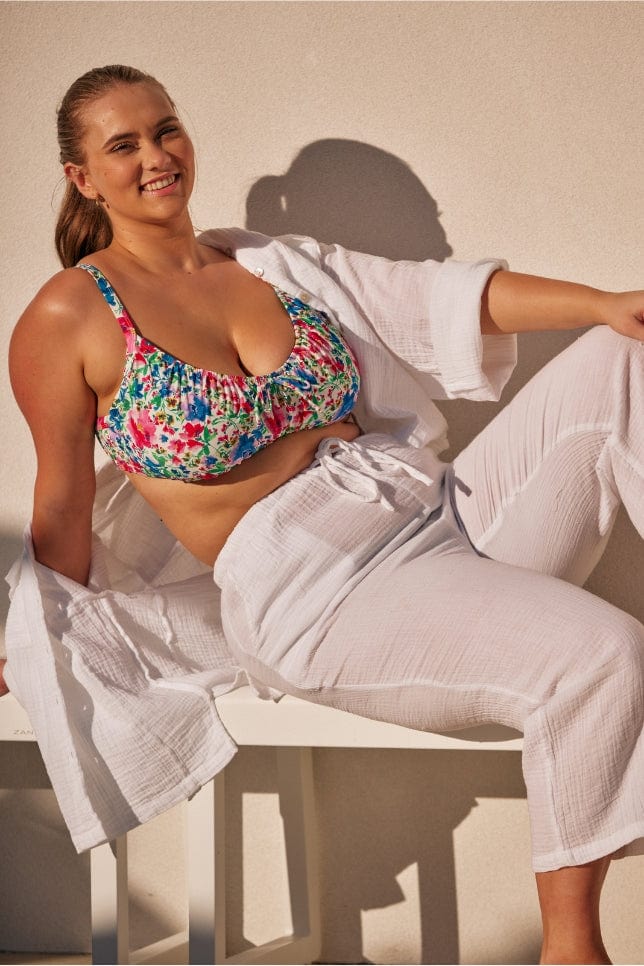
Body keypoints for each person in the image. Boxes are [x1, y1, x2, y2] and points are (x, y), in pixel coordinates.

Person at [3, 64, 643, 965]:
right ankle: (572, 951)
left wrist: (605, 303)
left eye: (166, 129)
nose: (156, 156)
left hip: (434, 514)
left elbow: (435, 297)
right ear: (82, 177)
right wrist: (35, 639)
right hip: (315, 591)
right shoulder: (67, 315)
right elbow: (62, 510)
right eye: (124, 145)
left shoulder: (267, 263)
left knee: (619, 362)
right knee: (605, 654)